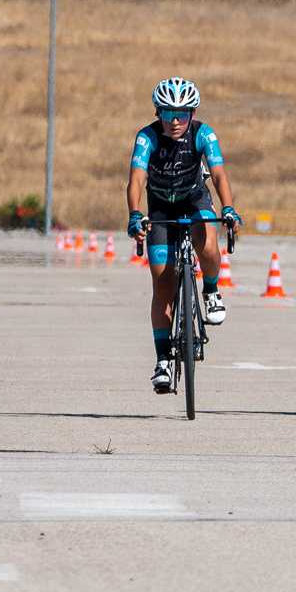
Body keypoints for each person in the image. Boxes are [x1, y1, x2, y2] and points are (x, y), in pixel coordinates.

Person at [125, 77, 240, 396]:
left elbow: (218, 174)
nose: (175, 121)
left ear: (192, 113)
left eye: (182, 114)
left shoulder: (204, 134)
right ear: (158, 112)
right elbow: (136, 179)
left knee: (208, 239)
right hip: (160, 206)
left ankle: (212, 290)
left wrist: (228, 208)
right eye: (167, 113)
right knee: (162, 282)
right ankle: (162, 361)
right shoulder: (146, 138)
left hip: (193, 198)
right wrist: (135, 213)